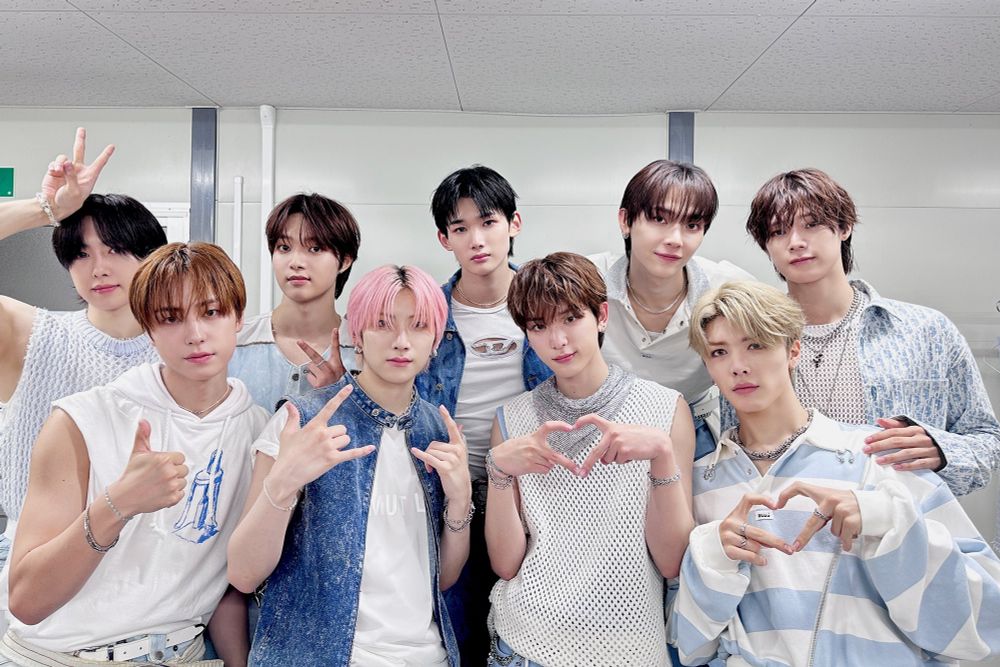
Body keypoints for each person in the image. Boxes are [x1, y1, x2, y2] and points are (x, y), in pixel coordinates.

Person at [670, 280, 1000, 666]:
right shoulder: (699, 483)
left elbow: (985, 621)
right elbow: (689, 646)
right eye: (719, 352)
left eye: (755, 344)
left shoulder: (878, 457)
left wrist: (888, 521)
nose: (738, 365)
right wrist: (711, 556)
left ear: (793, 350)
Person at [1, 242, 267, 666]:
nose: (195, 333)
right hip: (60, 656)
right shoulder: (82, 419)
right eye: (171, 317)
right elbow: (27, 599)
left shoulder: (258, 432)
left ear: (238, 318)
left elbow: (223, 584)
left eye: (211, 312)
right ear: (148, 327)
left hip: (184, 654)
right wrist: (119, 504)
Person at [228, 264, 471, 667]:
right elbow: (243, 574)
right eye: (382, 324)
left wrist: (460, 503)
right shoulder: (302, 421)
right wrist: (283, 484)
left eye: (419, 326)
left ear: (435, 342)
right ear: (356, 335)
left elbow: (442, 579)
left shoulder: (438, 432)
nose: (401, 341)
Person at [485, 252, 695, 666]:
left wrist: (662, 457)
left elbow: (672, 562)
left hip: (629, 648)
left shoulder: (664, 410)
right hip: (525, 648)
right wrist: (498, 471)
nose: (557, 340)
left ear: (600, 316)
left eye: (570, 318)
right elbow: (506, 565)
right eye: (538, 326)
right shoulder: (512, 420)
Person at [743, 168, 1000, 497]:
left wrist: (943, 451)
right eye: (778, 231)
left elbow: (986, 439)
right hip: (790, 532)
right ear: (766, 245)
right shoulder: (750, 342)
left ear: (844, 227)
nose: (796, 242)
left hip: (902, 533)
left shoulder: (924, 331)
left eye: (811, 224)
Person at [0, 129, 165, 576]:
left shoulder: (186, 351)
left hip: (153, 569)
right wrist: (45, 210)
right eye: (81, 254)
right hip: (40, 563)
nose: (99, 268)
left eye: (115, 250)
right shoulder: (30, 336)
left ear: (152, 256)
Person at [416, 165, 552, 661]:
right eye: (460, 228)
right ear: (444, 238)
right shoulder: (426, 310)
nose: (476, 239)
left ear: (514, 223)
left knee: (522, 626)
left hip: (527, 493)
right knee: (452, 626)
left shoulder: (546, 304)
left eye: (488, 222)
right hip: (444, 492)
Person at [588, 159, 753, 462]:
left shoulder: (728, 289)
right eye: (659, 220)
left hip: (693, 427)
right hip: (601, 425)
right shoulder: (586, 280)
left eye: (692, 225)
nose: (675, 240)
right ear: (625, 221)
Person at [229, 193, 360, 412]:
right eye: (284, 247)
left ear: (345, 260)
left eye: (315, 249)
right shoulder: (235, 344)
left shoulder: (363, 351)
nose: (296, 262)